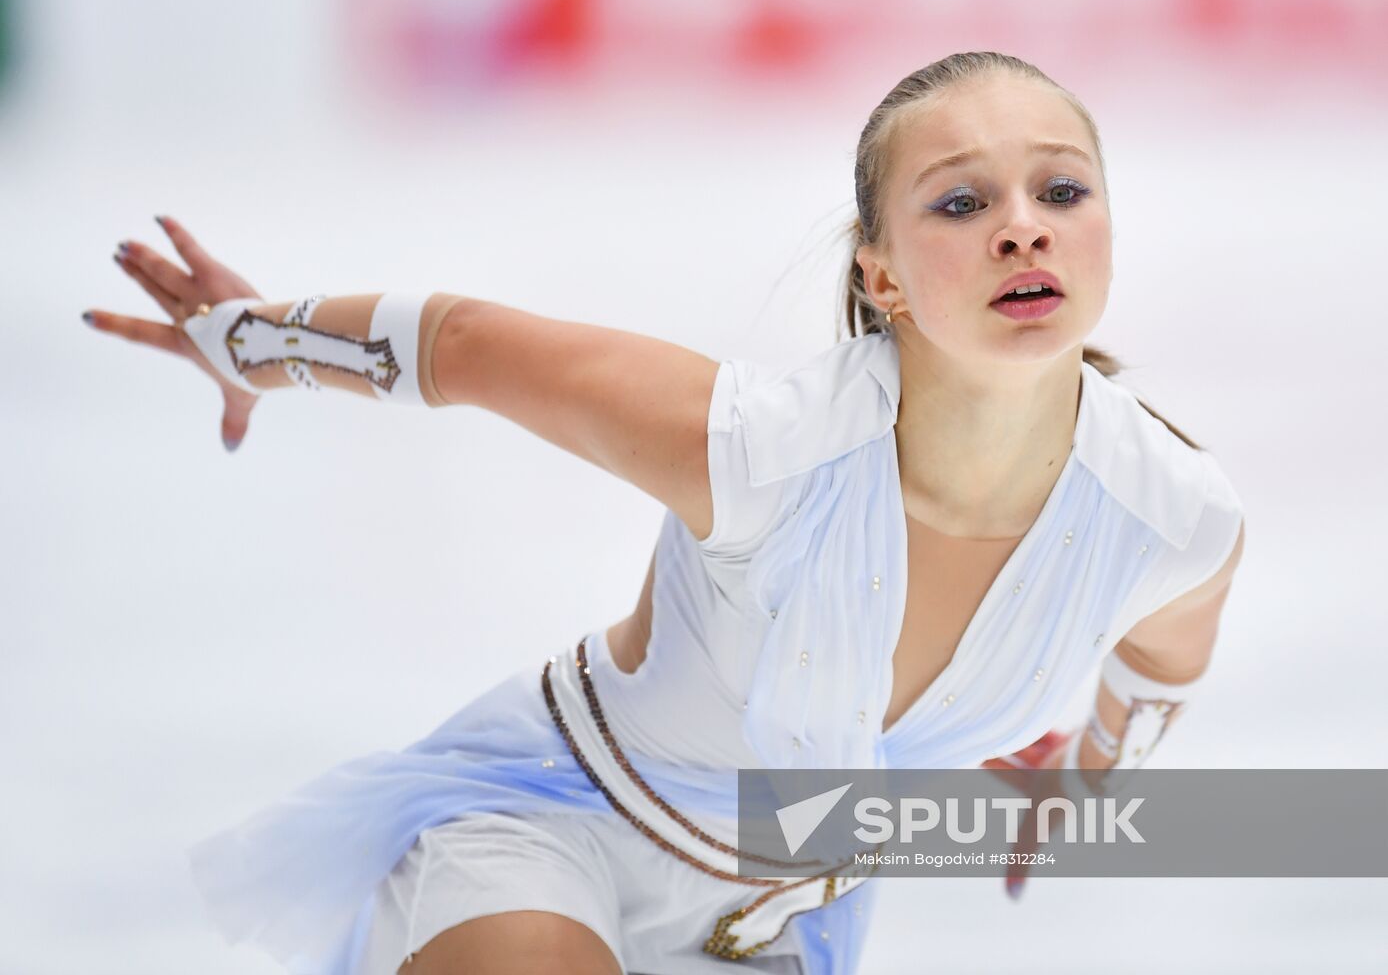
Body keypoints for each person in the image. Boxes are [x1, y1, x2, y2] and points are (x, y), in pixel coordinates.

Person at [83, 51, 1246, 975]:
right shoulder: (762, 451)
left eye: (1059, 189)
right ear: (881, 275)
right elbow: (468, 345)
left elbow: (1156, 669)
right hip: (552, 825)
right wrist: (257, 344)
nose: (1020, 226)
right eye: (957, 201)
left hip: (771, 914)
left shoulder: (1170, 516)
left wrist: (1083, 777)